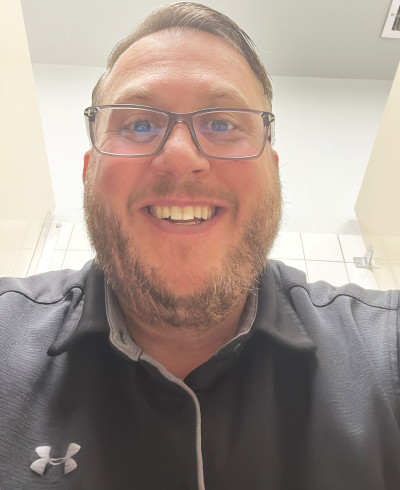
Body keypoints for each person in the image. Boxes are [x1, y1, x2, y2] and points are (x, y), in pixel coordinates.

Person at [0, 2, 399, 489]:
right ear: (89, 172)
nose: (180, 156)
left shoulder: (386, 348)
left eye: (223, 123)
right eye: (139, 124)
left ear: (273, 172)